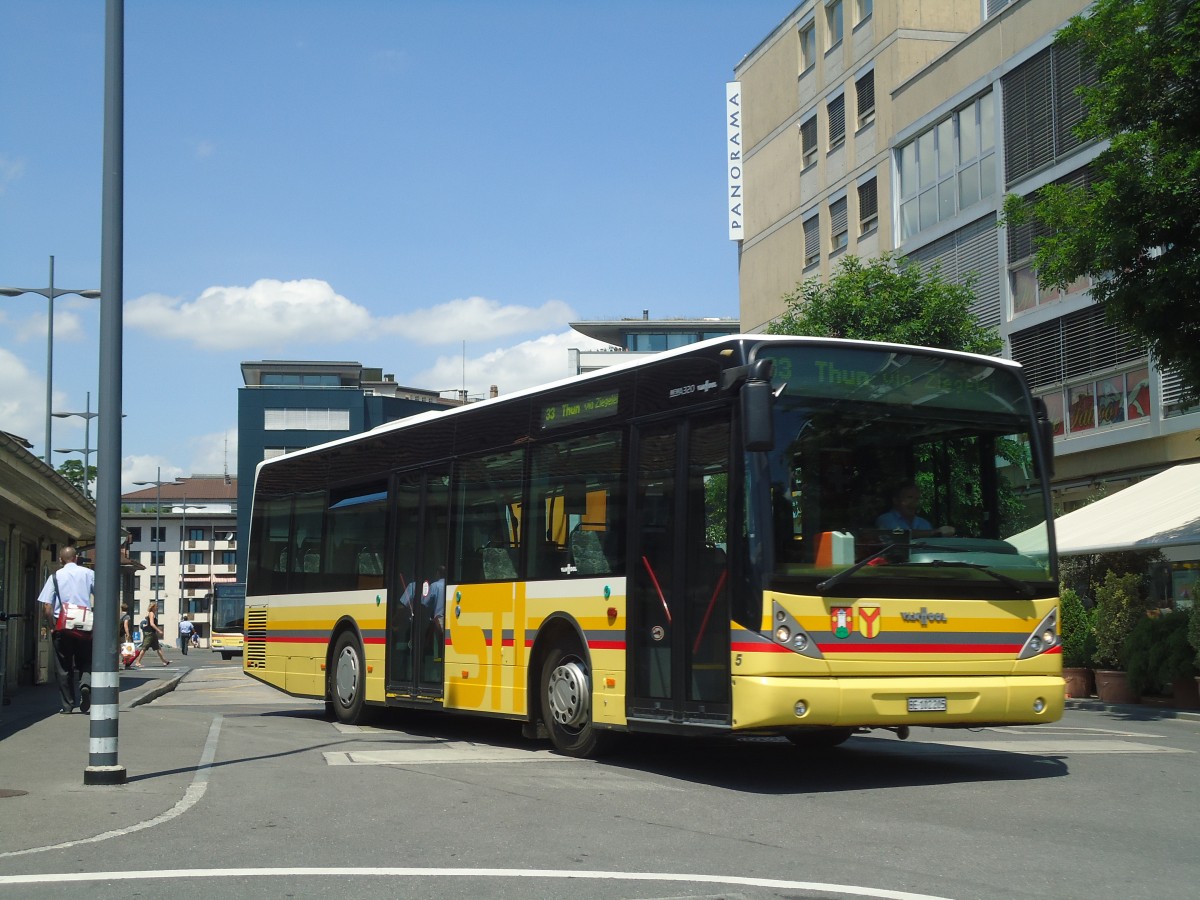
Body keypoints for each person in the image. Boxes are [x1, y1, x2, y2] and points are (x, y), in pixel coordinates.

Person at [36, 546, 95, 714]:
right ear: (76, 558)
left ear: (61, 560)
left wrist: (52, 626)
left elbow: (47, 607)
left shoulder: (55, 577)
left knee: (63, 666)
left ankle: (68, 705)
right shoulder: (88, 574)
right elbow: (101, 595)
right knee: (85, 660)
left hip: (63, 626)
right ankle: (85, 684)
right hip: (85, 625)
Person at [875, 481, 955, 537]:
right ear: (895, 500)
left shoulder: (924, 523)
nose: (914, 502)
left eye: (917, 499)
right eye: (909, 497)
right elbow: (900, 536)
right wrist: (936, 532)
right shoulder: (885, 519)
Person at [131, 601, 170, 667]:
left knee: (158, 647)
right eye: (156, 606)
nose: (157, 607)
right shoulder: (151, 613)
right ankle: (137, 662)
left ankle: (164, 661)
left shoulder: (152, 614)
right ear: (153, 607)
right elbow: (152, 624)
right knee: (144, 648)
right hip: (149, 633)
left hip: (152, 633)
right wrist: (159, 630)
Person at [119, 602, 141, 669]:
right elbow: (125, 625)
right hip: (122, 634)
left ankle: (118, 664)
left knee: (119, 649)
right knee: (126, 649)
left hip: (116, 634)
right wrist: (128, 634)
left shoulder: (118, 615)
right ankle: (127, 665)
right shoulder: (126, 616)